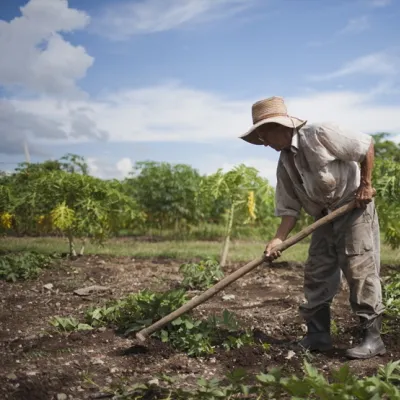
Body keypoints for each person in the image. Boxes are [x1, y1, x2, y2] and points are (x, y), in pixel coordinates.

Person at [239, 96, 385, 360]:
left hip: (353, 209)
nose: (264, 143)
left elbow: (366, 145)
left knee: (359, 271)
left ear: (279, 127)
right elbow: (289, 207)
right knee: (317, 273)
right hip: (323, 218)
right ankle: (318, 337)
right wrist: (278, 239)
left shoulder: (319, 133)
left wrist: (365, 184)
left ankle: (372, 339)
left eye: (264, 136)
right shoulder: (285, 162)